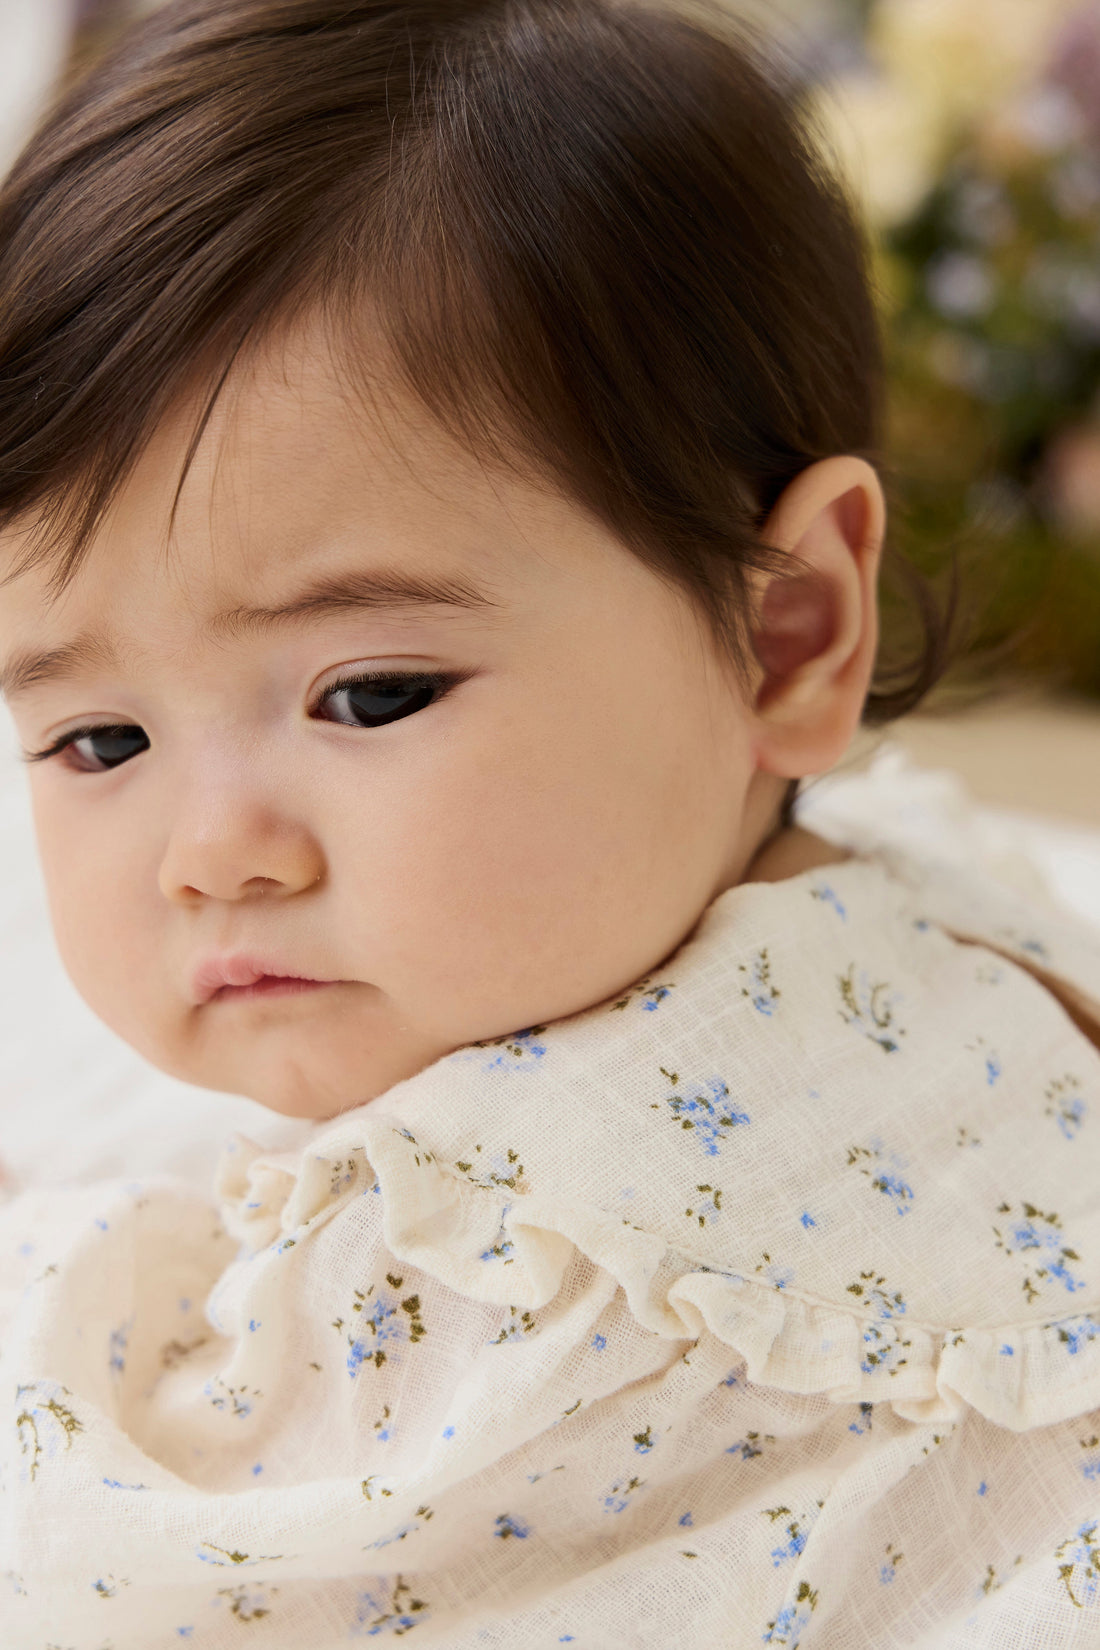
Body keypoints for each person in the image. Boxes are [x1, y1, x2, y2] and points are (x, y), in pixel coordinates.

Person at [0, 0, 1097, 1643]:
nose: (212, 851)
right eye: (99, 738)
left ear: (789, 629)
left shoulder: (489, 1249)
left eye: (368, 696)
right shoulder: (913, 905)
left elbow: (133, 1565)